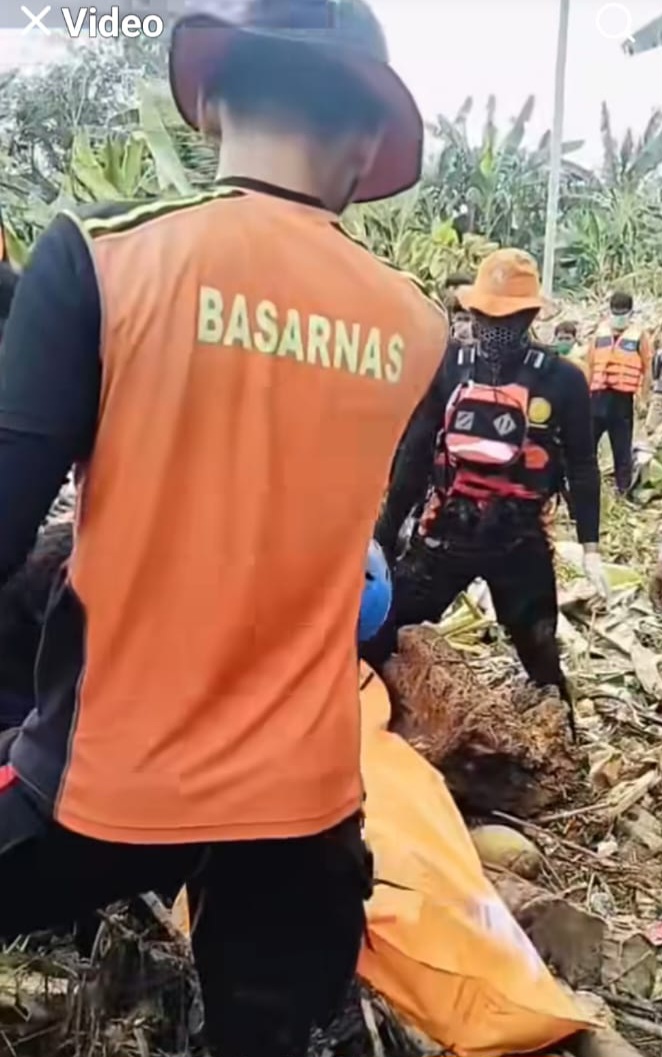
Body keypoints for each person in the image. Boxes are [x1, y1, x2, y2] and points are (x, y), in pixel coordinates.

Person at [0, 2, 446, 1054]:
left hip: (105, 778)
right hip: (299, 807)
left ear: (212, 106)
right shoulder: (415, 323)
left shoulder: (103, 260)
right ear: (360, 143)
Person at [366, 249, 608, 734]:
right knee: (379, 632)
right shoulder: (450, 364)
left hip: (518, 541)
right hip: (444, 535)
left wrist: (591, 545)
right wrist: (387, 532)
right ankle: (368, 728)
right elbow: (416, 451)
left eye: (507, 318)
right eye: (484, 316)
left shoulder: (562, 380)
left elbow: (582, 463)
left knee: (540, 652)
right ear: (471, 312)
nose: (493, 328)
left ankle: (564, 744)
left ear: (531, 316)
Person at [588, 291, 652, 495]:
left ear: (630, 313)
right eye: (615, 312)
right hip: (597, 396)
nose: (618, 316)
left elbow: (647, 367)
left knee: (621, 448)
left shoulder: (638, 335)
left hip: (622, 399)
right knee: (587, 445)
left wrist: (643, 398)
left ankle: (622, 490)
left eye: (622, 312)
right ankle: (583, 488)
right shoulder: (600, 332)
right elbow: (589, 365)